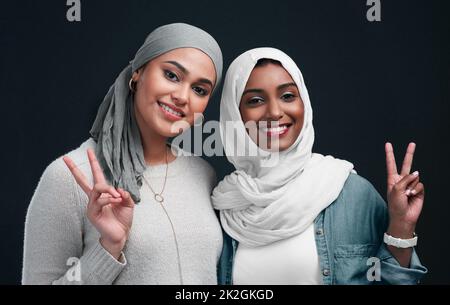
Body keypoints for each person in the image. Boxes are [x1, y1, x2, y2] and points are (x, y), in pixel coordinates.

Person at [22, 23, 224, 285]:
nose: (182, 96)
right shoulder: (68, 177)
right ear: (138, 73)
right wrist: (108, 248)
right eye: (172, 75)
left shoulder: (203, 174)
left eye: (200, 90)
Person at [213, 47, 427, 284]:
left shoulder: (351, 193)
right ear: (235, 113)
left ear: (303, 102)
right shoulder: (224, 204)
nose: (274, 112)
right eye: (255, 100)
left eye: (287, 96)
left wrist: (401, 226)